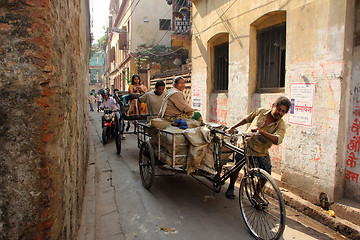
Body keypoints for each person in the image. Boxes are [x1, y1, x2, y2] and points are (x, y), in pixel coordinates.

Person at [225, 96, 291, 199]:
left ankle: (256, 195)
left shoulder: (280, 125)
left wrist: (261, 132)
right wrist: (232, 127)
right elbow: (247, 119)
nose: (280, 113)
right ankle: (231, 187)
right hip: (246, 146)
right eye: (279, 109)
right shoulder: (261, 112)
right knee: (236, 168)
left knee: (265, 175)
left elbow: (277, 140)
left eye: (283, 111)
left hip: (261, 151)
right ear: (273, 106)